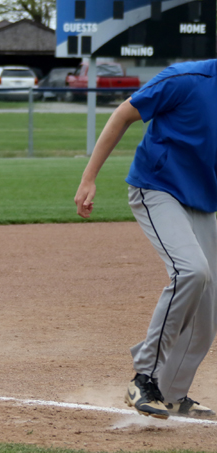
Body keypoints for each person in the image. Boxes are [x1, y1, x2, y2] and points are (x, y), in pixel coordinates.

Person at [74, 59, 217, 420]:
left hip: (202, 200)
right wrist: (89, 178)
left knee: (208, 309)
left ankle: (171, 393)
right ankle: (144, 377)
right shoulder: (185, 80)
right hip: (157, 188)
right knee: (192, 272)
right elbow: (123, 115)